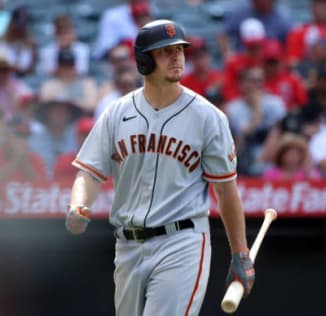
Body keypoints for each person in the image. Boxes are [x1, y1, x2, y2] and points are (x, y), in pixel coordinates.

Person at [64, 20, 254, 316]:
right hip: (127, 245)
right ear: (143, 60)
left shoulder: (207, 117)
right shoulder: (118, 112)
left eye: (179, 49)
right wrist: (79, 204)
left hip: (181, 240)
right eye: (165, 51)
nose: (176, 56)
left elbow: (226, 191)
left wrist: (240, 253)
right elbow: (88, 171)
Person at [218, 0, 293, 60]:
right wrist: (228, 54)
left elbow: (290, 47)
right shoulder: (242, 12)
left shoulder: (283, 20)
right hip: (242, 64)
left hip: (269, 65)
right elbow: (222, 35)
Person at [40, 48, 99, 114]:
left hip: (80, 119)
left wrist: (70, 104)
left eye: (69, 66)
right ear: (58, 67)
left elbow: (92, 106)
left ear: (74, 67)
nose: (67, 70)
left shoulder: (87, 83)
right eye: (63, 66)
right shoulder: (49, 85)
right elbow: (45, 106)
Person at [0, 5, 37, 76]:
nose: (21, 29)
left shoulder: (32, 44)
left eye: (24, 25)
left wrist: (15, 69)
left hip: (22, 83)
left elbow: (32, 70)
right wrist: (4, 67)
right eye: (18, 25)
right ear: (11, 23)